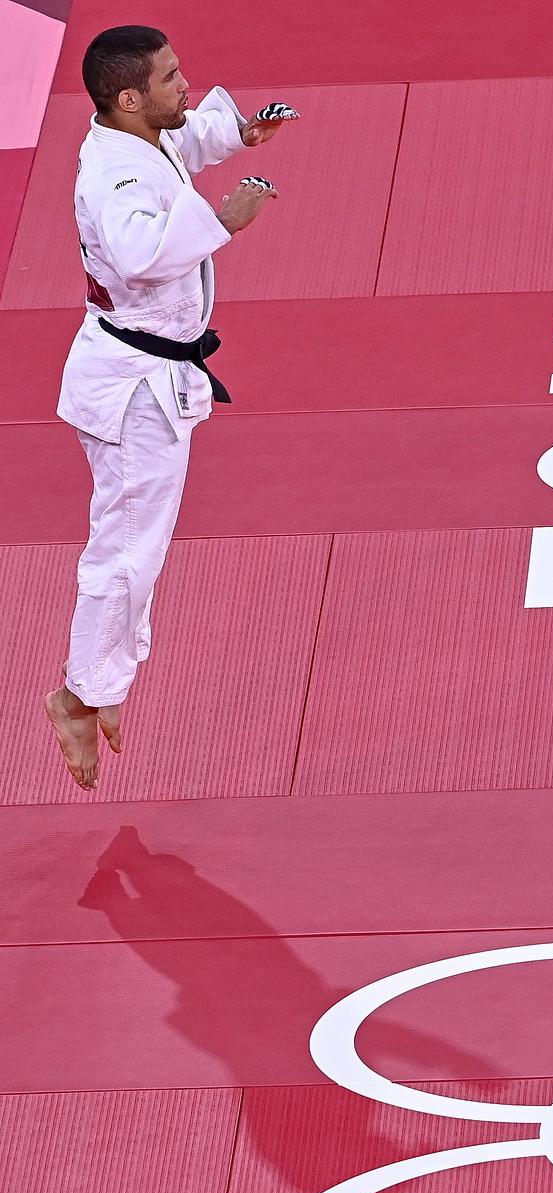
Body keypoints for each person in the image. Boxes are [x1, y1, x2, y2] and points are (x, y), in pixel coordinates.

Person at [45, 25, 297, 789]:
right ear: (129, 97)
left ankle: (101, 685)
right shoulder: (114, 177)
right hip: (131, 390)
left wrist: (238, 134)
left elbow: (179, 144)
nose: (184, 85)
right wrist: (224, 221)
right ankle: (81, 695)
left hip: (147, 374)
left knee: (138, 549)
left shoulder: (136, 139)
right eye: (169, 77)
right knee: (126, 552)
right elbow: (139, 256)